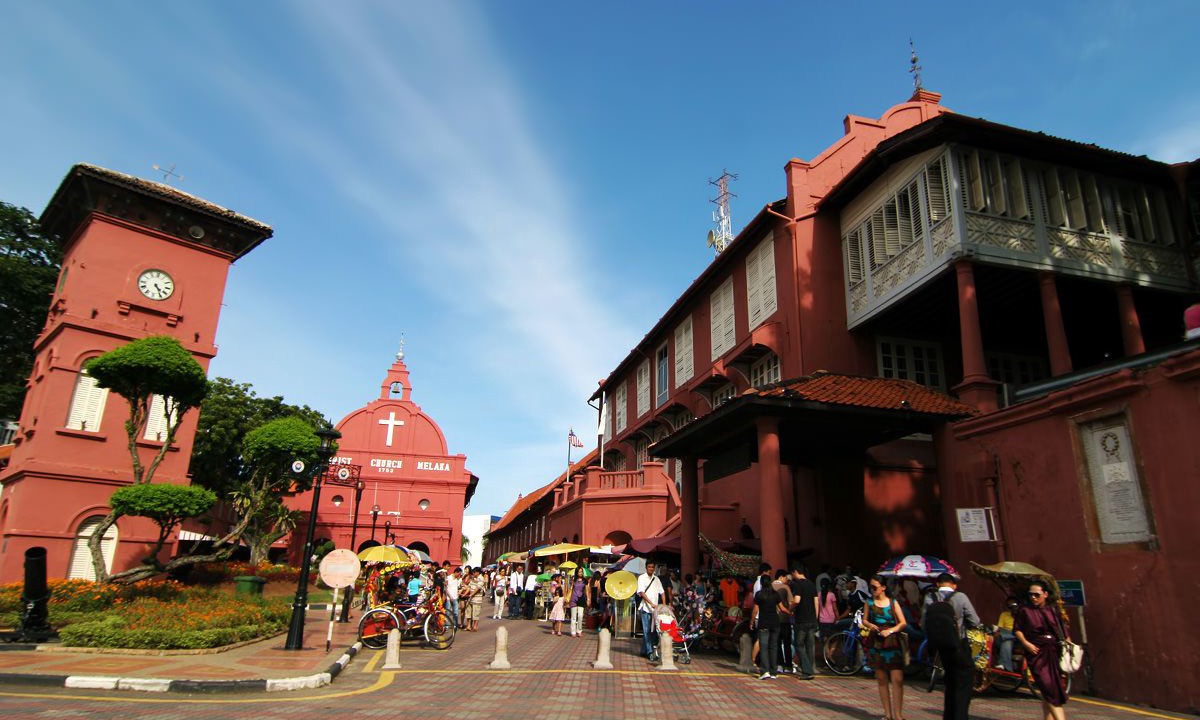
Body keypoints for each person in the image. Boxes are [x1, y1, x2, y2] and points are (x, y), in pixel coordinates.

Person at [922, 573, 980, 720]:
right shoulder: (960, 597)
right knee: (963, 684)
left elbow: (923, 623)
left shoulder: (930, 598)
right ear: (954, 585)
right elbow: (975, 621)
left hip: (941, 650)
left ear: (938, 584)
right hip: (959, 645)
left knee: (950, 684)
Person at [1014, 581, 1070, 720]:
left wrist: (1068, 648)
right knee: (1047, 686)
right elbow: (1017, 630)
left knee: (1051, 689)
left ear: (1045, 594)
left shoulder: (1053, 609)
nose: (1033, 597)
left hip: (1053, 650)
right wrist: (1026, 644)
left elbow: (1063, 630)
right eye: (1030, 595)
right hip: (1036, 651)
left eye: (1037, 595)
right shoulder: (1024, 610)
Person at [862, 575, 908, 720]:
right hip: (876, 642)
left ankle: (898, 715)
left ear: (883, 588)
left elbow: (903, 622)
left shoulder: (893, 602)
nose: (872, 590)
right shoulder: (869, 602)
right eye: (871, 587)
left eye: (874, 587)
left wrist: (891, 630)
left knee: (897, 679)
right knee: (881, 679)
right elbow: (865, 619)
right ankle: (888, 714)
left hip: (892, 641)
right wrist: (870, 625)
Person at [750, 566, 785, 680]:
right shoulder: (775, 594)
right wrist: (790, 612)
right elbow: (782, 608)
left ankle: (765, 671)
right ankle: (774, 671)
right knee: (773, 647)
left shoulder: (759, 595)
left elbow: (755, 610)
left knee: (764, 647)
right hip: (775, 622)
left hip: (763, 622)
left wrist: (751, 621)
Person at [790, 564, 819, 680]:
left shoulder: (798, 585)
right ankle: (810, 669)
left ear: (796, 572)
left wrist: (790, 608)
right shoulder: (811, 584)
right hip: (812, 620)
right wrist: (815, 618)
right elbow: (816, 602)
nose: (792, 576)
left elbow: (797, 600)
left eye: (792, 573)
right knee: (809, 645)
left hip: (801, 620)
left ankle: (807, 671)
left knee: (799, 645)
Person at [636, 560, 666, 661]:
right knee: (646, 631)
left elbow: (662, 592)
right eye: (649, 567)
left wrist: (664, 605)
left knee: (653, 632)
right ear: (646, 567)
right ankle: (649, 652)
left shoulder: (656, 579)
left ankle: (643, 651)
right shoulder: (641, 578)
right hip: (645, 609)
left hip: (655, 610)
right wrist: (651, 603)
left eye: (652, 567)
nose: (651, 569)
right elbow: (641, 592)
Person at [772, 569, 795, 673]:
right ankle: (788, 665)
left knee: (776, 642)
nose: (787, 580)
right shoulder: (785, 587)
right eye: (786, 577)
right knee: (786, 642)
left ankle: (779, 664)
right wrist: (790, 611)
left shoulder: (770, 585)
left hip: (774, 618)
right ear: (781, 577)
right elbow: (791, 602)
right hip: (785, 618)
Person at [994, 595, 1019, 671]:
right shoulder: (1004, 615)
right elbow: (999, 629)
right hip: (1003, 637)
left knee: (1013, 635)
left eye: (1014, 605)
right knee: (1006, 642)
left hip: (1017, 640)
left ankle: (1003, 664)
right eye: (1010, 605)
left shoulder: (1022, 616)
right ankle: (1007, 667)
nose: (1012, 607)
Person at [568, 568, 587, 637]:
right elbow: (570, 588)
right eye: (579, 572)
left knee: (580, 616)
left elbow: (587, 590)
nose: (580, 573)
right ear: (576, 572)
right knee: (573, 617)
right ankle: (573, 632)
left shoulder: (585, 580)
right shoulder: (573, 580)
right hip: (573, 598)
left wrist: (588, 599)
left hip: (581, 599)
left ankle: (579, 630)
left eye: (581, 572)